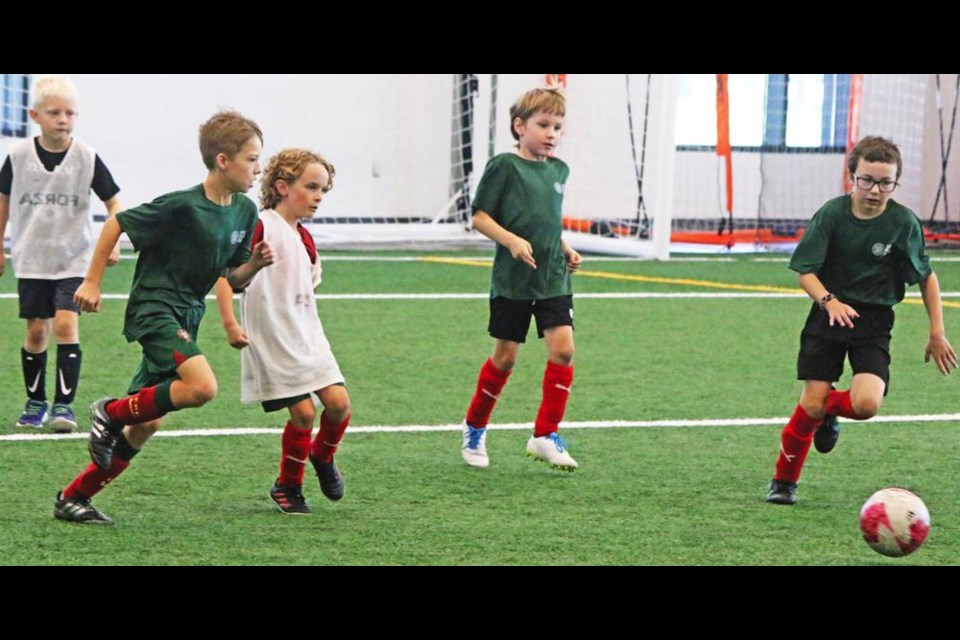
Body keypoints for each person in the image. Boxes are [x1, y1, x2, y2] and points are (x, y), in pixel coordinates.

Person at [52, 110, 273, 525]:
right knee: (203, 386)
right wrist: (93, 281)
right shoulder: (182, 206)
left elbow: (232, 277)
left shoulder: (245, 211)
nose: (258, 168)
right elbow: (117, 222)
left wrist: (256, 264)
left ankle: (73, 497)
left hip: (188, 312)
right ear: (223, 160)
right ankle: (108, 412)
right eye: (252, 159)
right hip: (155, 306)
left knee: (147, 422)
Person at [767, 135, 957, 506]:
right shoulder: (832, 214)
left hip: (873, 322)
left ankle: (825, 415)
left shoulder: (903, 222)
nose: (875, 190)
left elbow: (926, 276)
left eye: (885, 182)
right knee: (811, 403)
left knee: (867, 404)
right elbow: (805, 271)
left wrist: (937, 332)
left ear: (895, 183)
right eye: (867, 180)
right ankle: (783, 481)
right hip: (828, 316)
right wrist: (828, 301)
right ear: (851, 177)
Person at [215, 148, 350, 516]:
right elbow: (226, 276)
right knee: (304, 413)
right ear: (281, 187)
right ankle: (288, 484)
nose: (319, 196)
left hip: (308, 335)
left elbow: (309, 286)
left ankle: (322, 457)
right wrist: (230, 323)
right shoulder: (261, 224)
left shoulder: (305, 239)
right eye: (311, 187)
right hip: (272, 336)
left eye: (323, 189)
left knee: (339, 406)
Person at [459, 87, 582, 471]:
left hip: (553, 279)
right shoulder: (504, 167)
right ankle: (475, 427)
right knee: (505, 358)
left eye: (557, 126)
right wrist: (510, 240)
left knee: (563, 350)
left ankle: (545, 434)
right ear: (519, 126)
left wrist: (564, 247)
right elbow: (480, 217)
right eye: (543, 124)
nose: (551, 133)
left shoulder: (559, 170)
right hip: (514, 281)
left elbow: (546, 221)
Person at [0, 75, 122, 433]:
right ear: (35, 115)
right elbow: (3, 202)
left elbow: (115, 204)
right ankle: (35, 401)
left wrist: (112, 240)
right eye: (54, 112)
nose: (63, 119)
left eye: (70, 113)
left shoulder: (87, 157)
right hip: (32, 258)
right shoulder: (18, 157)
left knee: (67, 325)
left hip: (73, 258)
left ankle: (63, 407)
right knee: (37, 331)